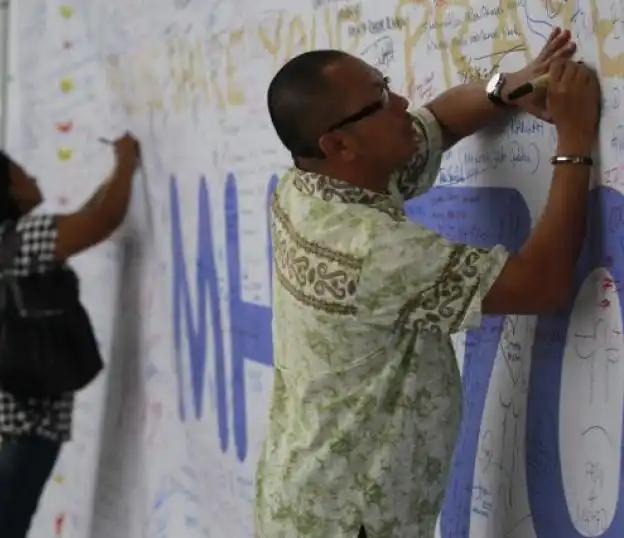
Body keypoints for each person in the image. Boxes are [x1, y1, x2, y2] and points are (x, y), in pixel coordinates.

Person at [254, 27, 601, 538]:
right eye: (379, 101)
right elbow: (541, 285)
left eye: (386, 84)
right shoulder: (369, 251)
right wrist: (573, 139)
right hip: (345, 524)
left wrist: (507, 88)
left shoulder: (310, 187)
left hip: (305, 499)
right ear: (340, 144)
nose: (401, 102)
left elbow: (437, 120)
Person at [0, 133, 139, 538]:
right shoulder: (23, 237)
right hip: (25, 411)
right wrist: (127, 163)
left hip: (8, 400)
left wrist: (119, 168)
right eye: (22, 173)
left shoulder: (5, 241)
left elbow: (88, 214)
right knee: (4, 524)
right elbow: (102, 220)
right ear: (8, 190)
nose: (32, 176)